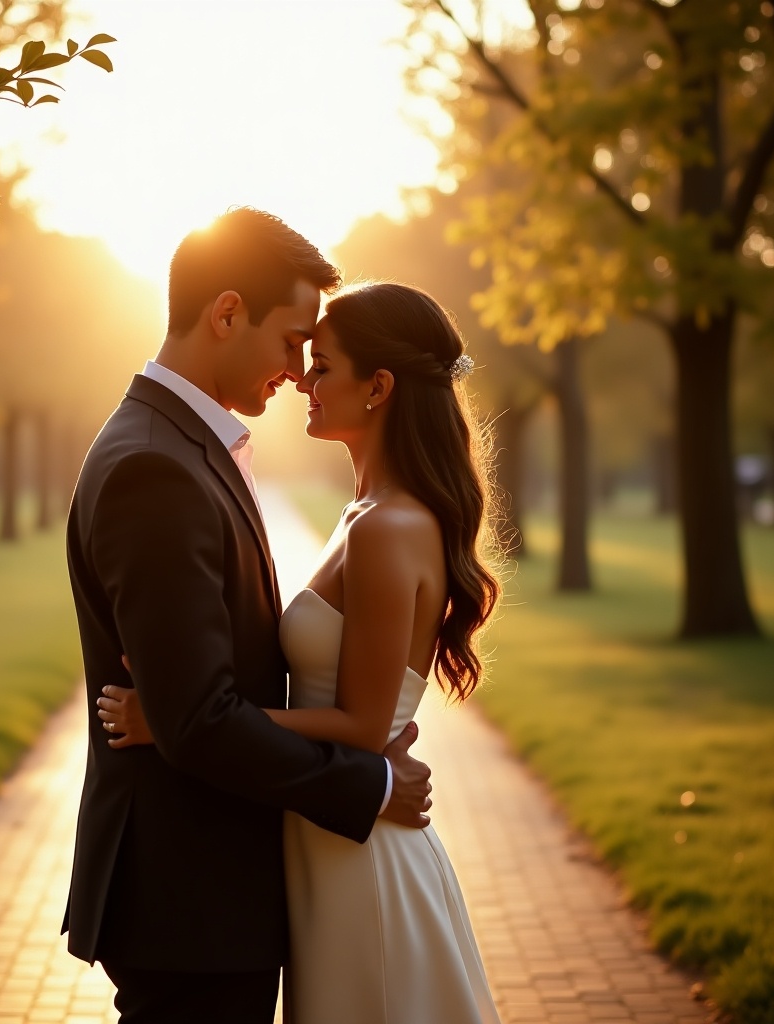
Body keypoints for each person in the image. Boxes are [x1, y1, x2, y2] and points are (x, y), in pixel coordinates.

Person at [62, 209, 433, 1024]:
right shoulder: (154, 469)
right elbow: (199, 720)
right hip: (189, 903)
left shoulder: (179, 447)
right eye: (293, 339)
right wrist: (367, 785)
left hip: (207, 901)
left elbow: (191, 708)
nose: (299, 370)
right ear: (227, 313)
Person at [100, 281, 504, 1023]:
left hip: (363, 858)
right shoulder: (363, 515)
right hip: (324, 839)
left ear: (378, 387)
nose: (302, 382)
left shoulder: (387, 528)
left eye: (322, 366)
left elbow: (359, 724)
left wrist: (178, 721)